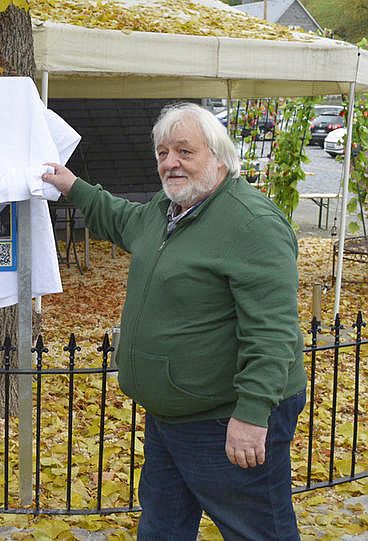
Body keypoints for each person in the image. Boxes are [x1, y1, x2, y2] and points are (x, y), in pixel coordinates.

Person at [42, 102, 307, 540]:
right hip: (171, 417)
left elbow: (274, 333)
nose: (170, 163)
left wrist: (252, 415)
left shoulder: (252, 223)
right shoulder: (168, 210)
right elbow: (122, 219)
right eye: (163, 152)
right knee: (163, 528)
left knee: (258, 531)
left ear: (219, 156)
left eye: (185, 151)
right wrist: (73, 186)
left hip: (226, 419)